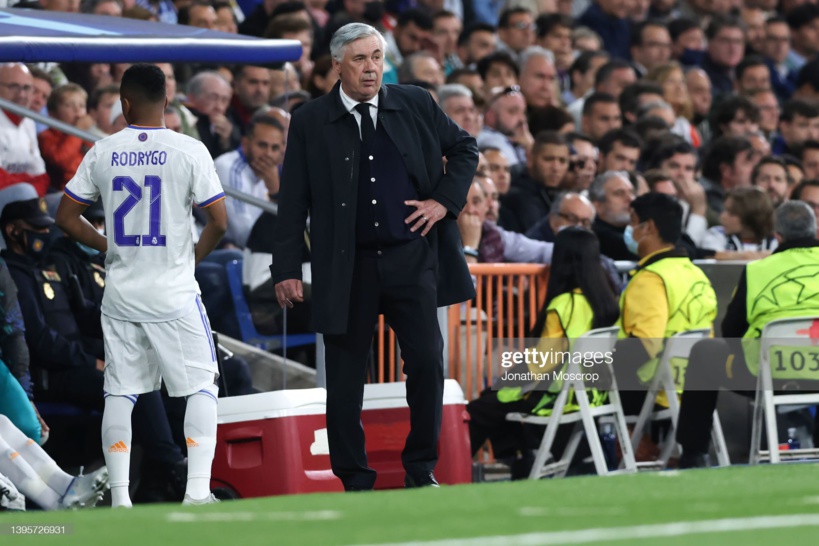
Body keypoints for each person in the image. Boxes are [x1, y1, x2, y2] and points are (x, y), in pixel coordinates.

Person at [271, 23, 478, 491]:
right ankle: (354, 479)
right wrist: (285, 269)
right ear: (337, 65)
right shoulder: (310, 120)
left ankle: (420, 469)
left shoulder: (416, 102)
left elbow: (465, 148)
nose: (371, 69)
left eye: (377, 58)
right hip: (347, 268)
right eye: (360, 59)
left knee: (427, 362)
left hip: (411, 258)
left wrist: (444, 201)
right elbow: (293, 200)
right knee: (345, 378)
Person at [55, 64, 228, 507]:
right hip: (173, 292)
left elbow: (66, 217)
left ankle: (120, 498)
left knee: (120, 391)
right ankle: (197, 492)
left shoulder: (103, 150)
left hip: (121, 293)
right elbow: (219, 222)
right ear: (167, 100)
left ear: (125, 104)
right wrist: (189, 261)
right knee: (201, 386)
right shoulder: (189, 149)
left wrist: (106, 246)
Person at [466, 227, 620, 478]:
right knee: (495, 401)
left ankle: (454, 474)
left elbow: (540, 364)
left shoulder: (564, 305)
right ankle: (524, 459)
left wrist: (506, 382)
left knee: (480, 408)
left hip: (557, 396)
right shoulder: (607, 302)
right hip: (594, 394)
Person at [676, 201, 819, 468]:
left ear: (777, 236)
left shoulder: (757, 270)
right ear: (815, 230)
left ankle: (693, 456)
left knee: (705, 351)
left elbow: (731, 330)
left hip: (769, 375)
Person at [612, 193, 718, 415]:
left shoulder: (651, 278)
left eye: (632, 221)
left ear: (648, 227)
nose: (629, 229)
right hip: (695, 386)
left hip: (653, 388)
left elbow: (644, 346)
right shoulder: (695, 274)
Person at [701, 187, 778, 253]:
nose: (722, 217)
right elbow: (711, 255)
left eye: (731, 213)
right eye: (725, 210)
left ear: (750, 215)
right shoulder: (716, 235)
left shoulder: (773, 241)